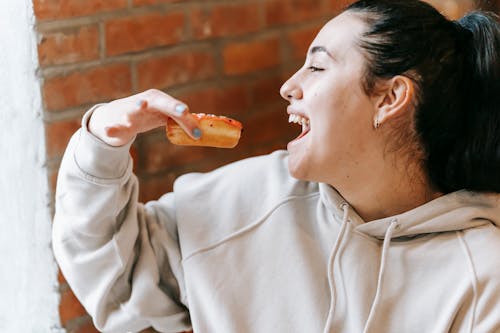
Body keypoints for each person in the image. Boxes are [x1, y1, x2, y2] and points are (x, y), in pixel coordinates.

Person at [52, 0, 500, 332]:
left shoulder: (484, 279)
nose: (289, 86)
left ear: (390, 99)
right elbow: (118, 278)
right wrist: (102, 142)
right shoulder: (247, 199)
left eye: (318, 68)